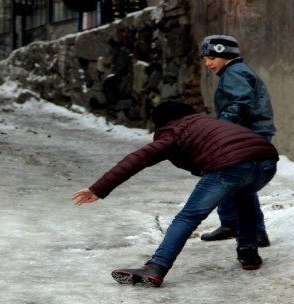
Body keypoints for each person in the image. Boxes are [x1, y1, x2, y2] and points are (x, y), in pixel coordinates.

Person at [72, 102, 278, 287]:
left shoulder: (173, 131)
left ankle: (157, 266)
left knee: (189, 216)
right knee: (243, 195)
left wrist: (98, 188)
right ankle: (249, 252)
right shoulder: (207, 123)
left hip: (231, 165)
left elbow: (138, 159)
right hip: (266, 161)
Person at [199, 35, 277, 247]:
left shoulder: (234, 73)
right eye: (205, 59)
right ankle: (232, 224)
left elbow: (242, 102)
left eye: (212, 57)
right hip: (248, 133)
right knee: (231, 180)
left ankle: (255, 231)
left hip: (247, 135)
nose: (208, 63)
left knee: (239, 182)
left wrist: (222, 127)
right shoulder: (235, 72)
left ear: (227, 54)